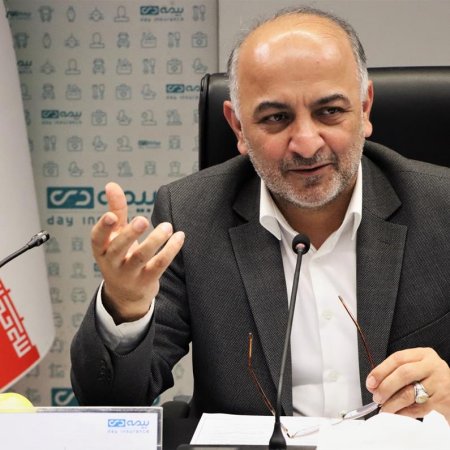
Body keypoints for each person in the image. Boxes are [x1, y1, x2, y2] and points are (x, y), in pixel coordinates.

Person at [71, 6, 450, 422]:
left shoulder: (442, 207)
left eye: (329, 112)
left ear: (364, 109)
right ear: (238, 127)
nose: (306, 143)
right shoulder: (191, 215)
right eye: (276, 118)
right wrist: (125, 305)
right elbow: (110, 401)